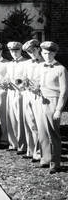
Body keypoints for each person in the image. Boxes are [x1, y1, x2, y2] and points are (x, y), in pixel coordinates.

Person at [37, 41, 68, 174]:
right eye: (44, 53)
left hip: (53, 101)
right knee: (42, 132)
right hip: (41, 100)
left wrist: (58, 109)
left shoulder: (61, 69)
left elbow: (64, 91)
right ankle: (45, 159)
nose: (47, 55)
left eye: (50, 53)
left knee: (53, 134)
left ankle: (55, 163)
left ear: (54, 53)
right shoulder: (41, 67)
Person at [21, 39, 43, 161]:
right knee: (29, 123)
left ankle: (39, 152)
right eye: (29, 52)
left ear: (38, 49)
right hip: (27, 94)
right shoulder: (27, 63)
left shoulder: (45, 62)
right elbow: (24, 77)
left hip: (39, 96)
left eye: (33, 50)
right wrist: (24, 82)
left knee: (38, 124)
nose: (32, 53)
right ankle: (30, 150)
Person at [5, 41, 27, 154]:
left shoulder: (26, 63)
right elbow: (7, 77)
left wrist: (20, 85)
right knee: (11, 117)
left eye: (16, 50)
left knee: (20, 118)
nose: (14, 53)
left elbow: (26, 79)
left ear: (20, 50)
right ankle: (13, 143)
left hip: (20, 93)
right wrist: (5, 82)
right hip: (10, 91)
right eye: (11, 51)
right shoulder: (9, 64)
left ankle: (22, 145)